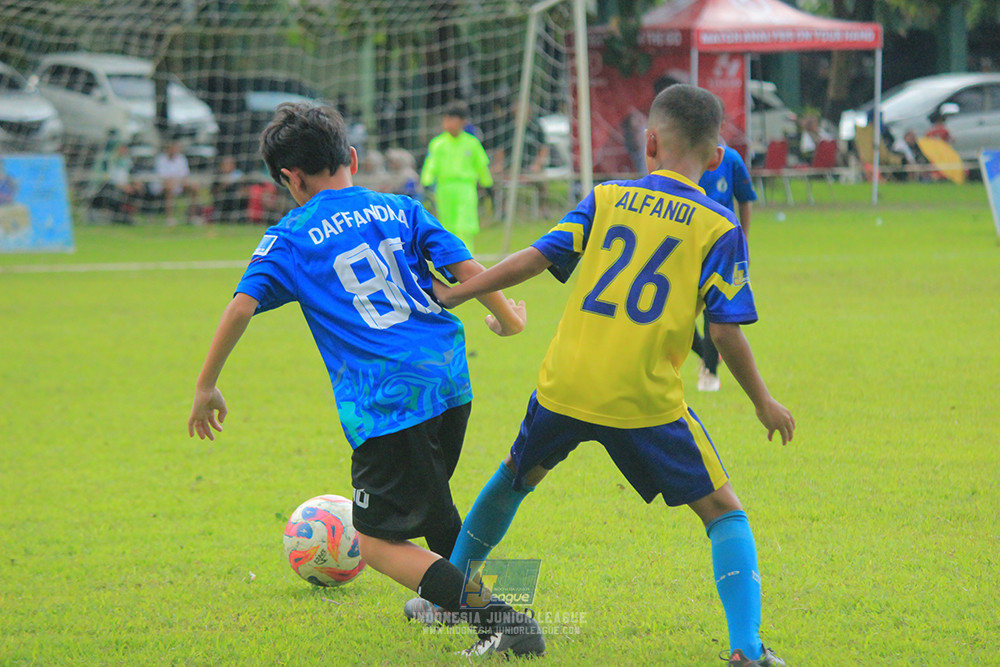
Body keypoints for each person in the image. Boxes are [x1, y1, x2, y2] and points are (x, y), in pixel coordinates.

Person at [420, 84, 795, 667]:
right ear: (718, 156)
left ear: (649, 142)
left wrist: (458, 291)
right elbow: (724, 332)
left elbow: (537, 257)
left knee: (513, 479)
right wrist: (763, 402)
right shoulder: (721, 228)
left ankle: (450, 595)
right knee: (724, 511)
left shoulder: (607, 196)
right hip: (643, 399)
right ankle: (746, 650)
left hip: (566, 383)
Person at [186, 102, 544, 659]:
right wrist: (511, 318)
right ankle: (451, 604)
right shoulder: (401, 207)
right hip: (447, 378)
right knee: (435, 505)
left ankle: (506, 623)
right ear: (351, 157)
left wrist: (206, 385)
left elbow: (239, 309)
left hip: (385, 397)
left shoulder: (292, 236)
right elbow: (467, 267)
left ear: (290, 178)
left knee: (376, 541)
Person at [694, 140, 757, 391]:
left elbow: (745, 199)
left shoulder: (730, 159)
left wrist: (745, 241)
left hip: (720, 244)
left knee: (714, 308)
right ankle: (704, 352)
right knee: (676, 309)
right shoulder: (683, 157)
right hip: (685, 241)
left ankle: (710, 372)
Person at [420, 100, 493, 253]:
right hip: (444, 188)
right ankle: (451, 265)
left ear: (462, 121)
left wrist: (487, 185)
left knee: (465, 226)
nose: (448, 123)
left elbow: (482, 166)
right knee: (447, 227)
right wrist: (426, 183)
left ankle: (467, 259)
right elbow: (430, 165)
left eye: (452, 119)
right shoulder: (438, 143)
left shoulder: (472, 143)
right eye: (446, 119)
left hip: (466, 187)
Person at [150, 141, 203, 225]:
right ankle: (169, 218)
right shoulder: (160, 159)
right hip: (161, 186)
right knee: (169, 187)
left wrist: (183, 182)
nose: (174, 150)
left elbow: (185, 175)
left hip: (178, 184)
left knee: (194, 187)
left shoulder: (181, 158)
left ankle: (191, 217)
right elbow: (163, 178)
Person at [209, 156, 247, 223]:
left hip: (236, 202)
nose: (230, 166)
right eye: (227, 164)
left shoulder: (239, 175)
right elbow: (212, 193)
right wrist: (223, 186)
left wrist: (241, 192)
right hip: (222, 203)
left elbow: (245, 190)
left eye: (231, 164)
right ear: (221, 166)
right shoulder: (217, 176)